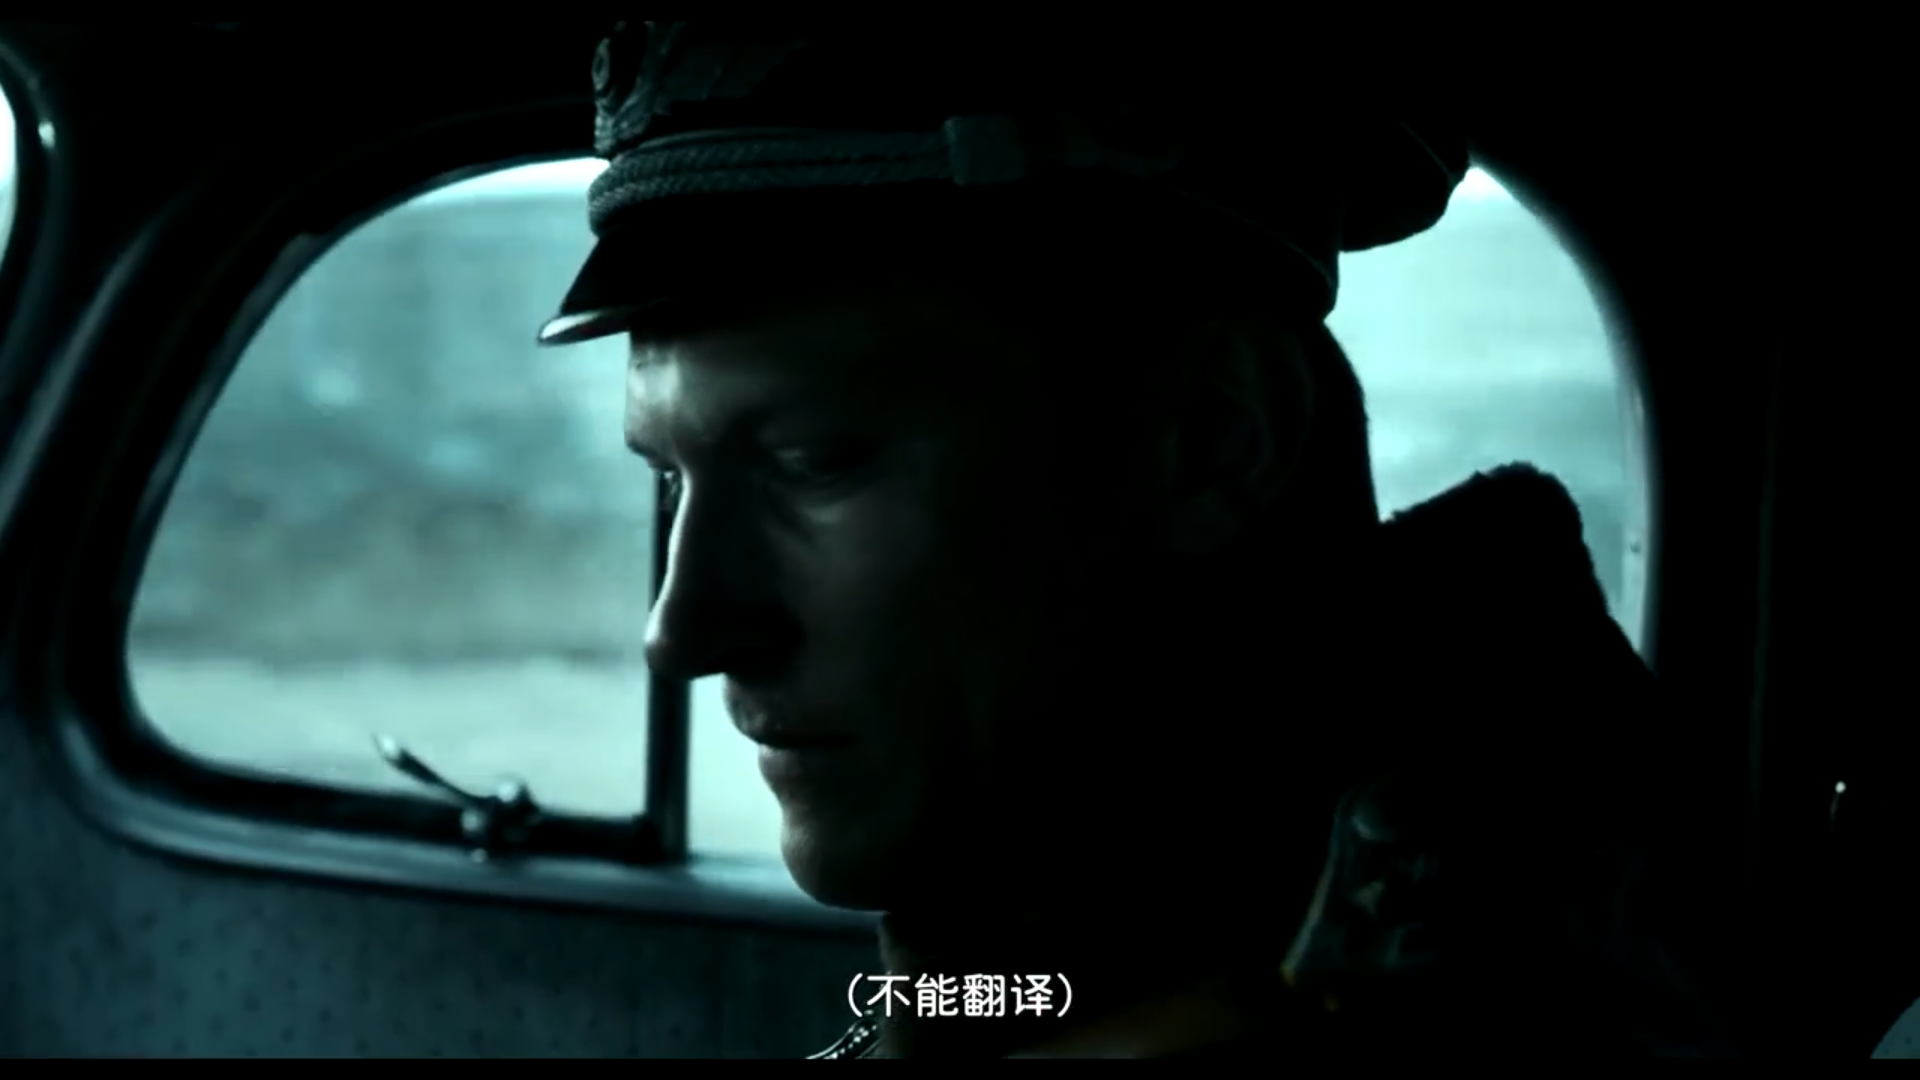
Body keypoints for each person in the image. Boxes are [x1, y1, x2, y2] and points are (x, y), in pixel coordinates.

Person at [537, 21, 1737, 1058]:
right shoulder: (1043, 956)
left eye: (815, 461)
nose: (681, 632)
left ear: (1211, 439)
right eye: (671, 477)